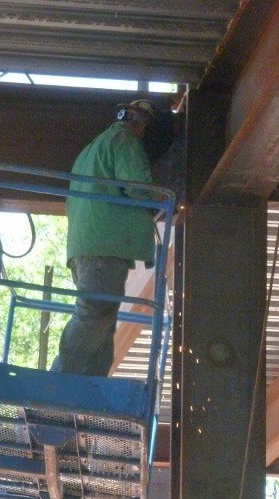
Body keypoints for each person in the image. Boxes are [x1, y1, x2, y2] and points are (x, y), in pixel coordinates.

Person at [51, 99, 173, 376]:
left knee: (103, 321)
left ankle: (94, 389)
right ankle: (59, 382)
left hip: (86, 247)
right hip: (105, 247)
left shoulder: (90, 150)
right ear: (143, 125)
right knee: (93, 315)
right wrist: (165, 198)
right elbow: (138, 188)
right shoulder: (125, 141)